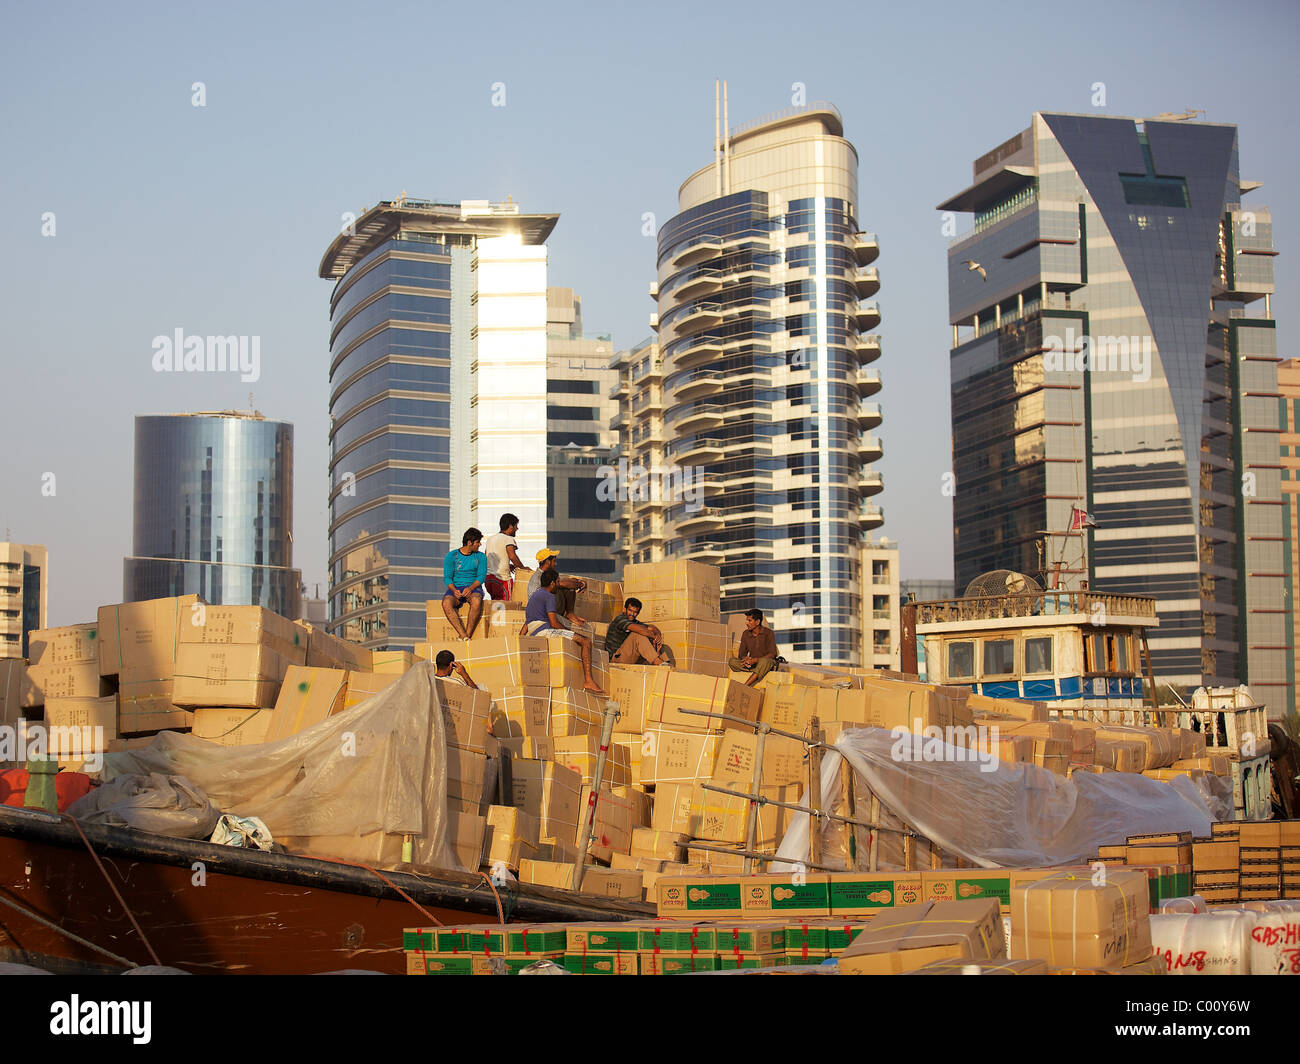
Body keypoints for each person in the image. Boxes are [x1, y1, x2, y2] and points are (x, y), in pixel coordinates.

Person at [523, 570, 603, 693]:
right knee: (586, 641)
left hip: (534, 632)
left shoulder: (535, 596)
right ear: (552, 583)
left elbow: (526, 624)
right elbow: (554, 623)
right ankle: (588, 680)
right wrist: (570, 632)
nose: (559, 584)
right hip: (545, 631)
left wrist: (521, 639)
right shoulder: (549, 596)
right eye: (557, 581)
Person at [442, 527, 487, 639]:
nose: (480, 544)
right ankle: (463, 635)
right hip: (456, 588)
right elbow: (447, 578)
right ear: (469, 543)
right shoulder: (451, 556)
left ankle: (467, 635)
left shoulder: (481, 557)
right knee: (446, 603)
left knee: (476, 600)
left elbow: (481, 577)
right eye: (477, 542)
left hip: (473, 588)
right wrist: (454, 590)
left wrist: (470, 588)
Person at [526, 548, 586, 628]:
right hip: (543, 611)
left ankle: (570, 614)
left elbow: (565, 582)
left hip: (548, 606)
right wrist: (580, 584)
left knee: (569, 584)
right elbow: (562, 584)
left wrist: (580, 583)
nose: (556, 564)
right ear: (548, 562)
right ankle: (569, 614)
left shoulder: (548, 574)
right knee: (567, 586)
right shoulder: (538, 578)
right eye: (554, 561)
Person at [606, 597, 673, 666]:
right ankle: (657, 661)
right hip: (616, 658)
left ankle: (665, 662)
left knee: (650, 634)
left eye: (635, 612)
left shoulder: (634, 621)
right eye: (630, 610)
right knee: (638, 634)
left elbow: (653, 628)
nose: (632, 614)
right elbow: (640, 630)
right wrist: (654, 637)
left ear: (638, 613)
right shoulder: (620, 619)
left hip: (628, 655)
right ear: (624, 609)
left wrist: (657, 636)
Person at [483, 513, 530, 602]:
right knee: (506, 606)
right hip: (502, 579)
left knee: (496, 606)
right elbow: (512, 556)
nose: (517, 528)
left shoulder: (490, 539)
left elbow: (487, 558)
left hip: (489, 580)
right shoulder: (508, 539)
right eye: (516, 525)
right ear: (510, 526)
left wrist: (509, 565)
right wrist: (523, 568)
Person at [728, 608, 778, 687]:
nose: (746, 623)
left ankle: (745, 686)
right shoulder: (745, 634)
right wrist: (746, 659)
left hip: (765, 663)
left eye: (749, 621)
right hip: (752, 665)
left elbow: (773, 654)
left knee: (765, 662)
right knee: (732, 661)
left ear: (757, 622)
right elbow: (741, 654)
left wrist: (755, 660)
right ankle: (757, 671)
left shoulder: (768, 633)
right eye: (747, 620)